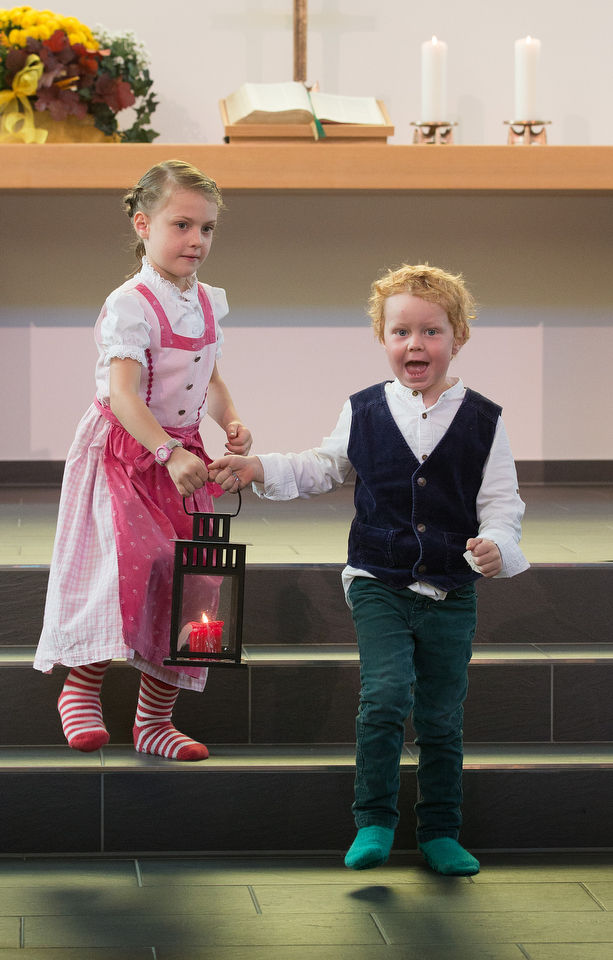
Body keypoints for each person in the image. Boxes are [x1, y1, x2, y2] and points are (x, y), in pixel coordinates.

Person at [208, 263, 529, 875]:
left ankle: (439, 829)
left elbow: (502, 504)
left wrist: (496, 545)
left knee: (439, 712)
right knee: (384, 696)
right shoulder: (364, 410)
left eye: (431, 332)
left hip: (451, 590)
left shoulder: (485, 419)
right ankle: (374, 820)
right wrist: (260, 468)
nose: (416, 344)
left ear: (457, 338)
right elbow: (323, 466)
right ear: (382, 339)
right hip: (377, 580)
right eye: (401, 331)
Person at [35, 160, 251, 762]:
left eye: (206, 229)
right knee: (131, 563)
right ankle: (81, 685)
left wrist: (228, 420)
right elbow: (124, 395)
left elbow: (210, 375)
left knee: (194, 581)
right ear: (142, 224)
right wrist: (166, 450)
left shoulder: (207, 301)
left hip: (183, 454)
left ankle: (155, 718)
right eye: (181, 225)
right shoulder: (130, 304)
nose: (196, 241)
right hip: (129, 455)